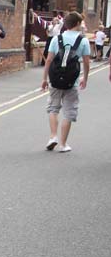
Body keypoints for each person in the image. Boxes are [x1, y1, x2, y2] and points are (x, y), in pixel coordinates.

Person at [41, 11, 90, 153]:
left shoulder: (57, 39)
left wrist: (44, 79)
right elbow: (86, 63)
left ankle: (53, 136)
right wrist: (85, 78)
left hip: (55, 80)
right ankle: (63, 144)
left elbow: (49, 60)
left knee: (53, 108)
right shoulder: (83, 41)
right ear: (78, 24)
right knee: (69, 111)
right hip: (72, 81)